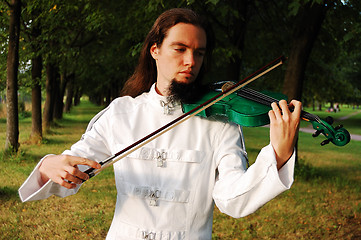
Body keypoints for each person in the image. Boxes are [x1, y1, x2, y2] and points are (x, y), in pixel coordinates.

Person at [19, 8, 301, 240]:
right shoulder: (121, 113)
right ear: (155, 50)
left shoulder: (219, 122)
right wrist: (50, 165)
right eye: (180, 49)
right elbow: (73, 169)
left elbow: (232, 200)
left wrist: (277, 155)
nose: (191, 61)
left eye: (199, 53)